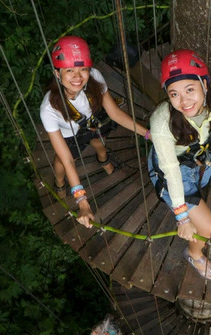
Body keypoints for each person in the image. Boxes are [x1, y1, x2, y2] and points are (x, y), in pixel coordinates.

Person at [40, 35, 150, 229]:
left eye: (83, 69)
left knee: (99, 142)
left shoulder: (94, 78)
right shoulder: (49, 109)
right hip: (68, 133)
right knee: (62, 162)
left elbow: (115, 113)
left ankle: (103, 159)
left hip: (90, 122)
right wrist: (82, 200)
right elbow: (66, 157)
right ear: (57, 73)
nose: (78, 76)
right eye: (69, 70)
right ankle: (59, 183)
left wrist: (148, 134)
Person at [147, 49, 211, 280]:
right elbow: (170, 170)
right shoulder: (162, 120)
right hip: (172, 171)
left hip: (200, 160)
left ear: (204, 84)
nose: (184, 101)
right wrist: (182, 218)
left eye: (190, 90)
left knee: (202, 194)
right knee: (210, 230)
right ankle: (194, 255)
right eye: (174, 94)